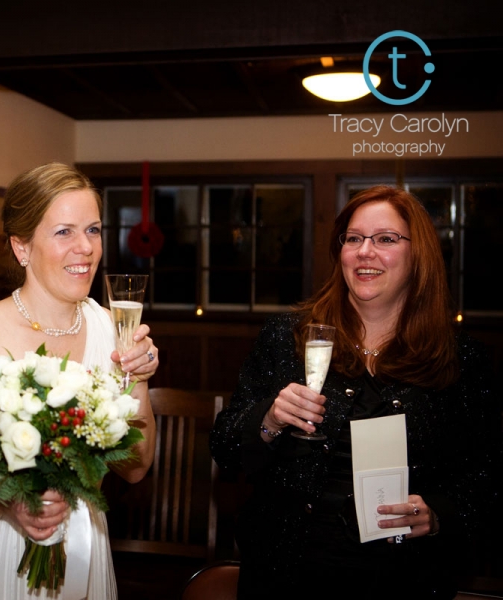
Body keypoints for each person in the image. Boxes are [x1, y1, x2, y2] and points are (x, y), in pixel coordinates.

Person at [210, 185, 500, 598]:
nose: (365, 251)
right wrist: (268, 420)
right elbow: (224, 447)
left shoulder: (460, 358)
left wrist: (439, 515)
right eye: (354, 238)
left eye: (385, 239)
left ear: (418, 254)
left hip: (403, 580)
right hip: (286, 573)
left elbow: (488, 477)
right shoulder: (287, 337)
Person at [0, 162, 158, 599]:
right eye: (64, 232)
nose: (85, 248)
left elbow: (135, 468)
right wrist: (3, 501)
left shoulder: (113, 328)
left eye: (93, 230)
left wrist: (138, 378)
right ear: (21, 247)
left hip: (85, 550)